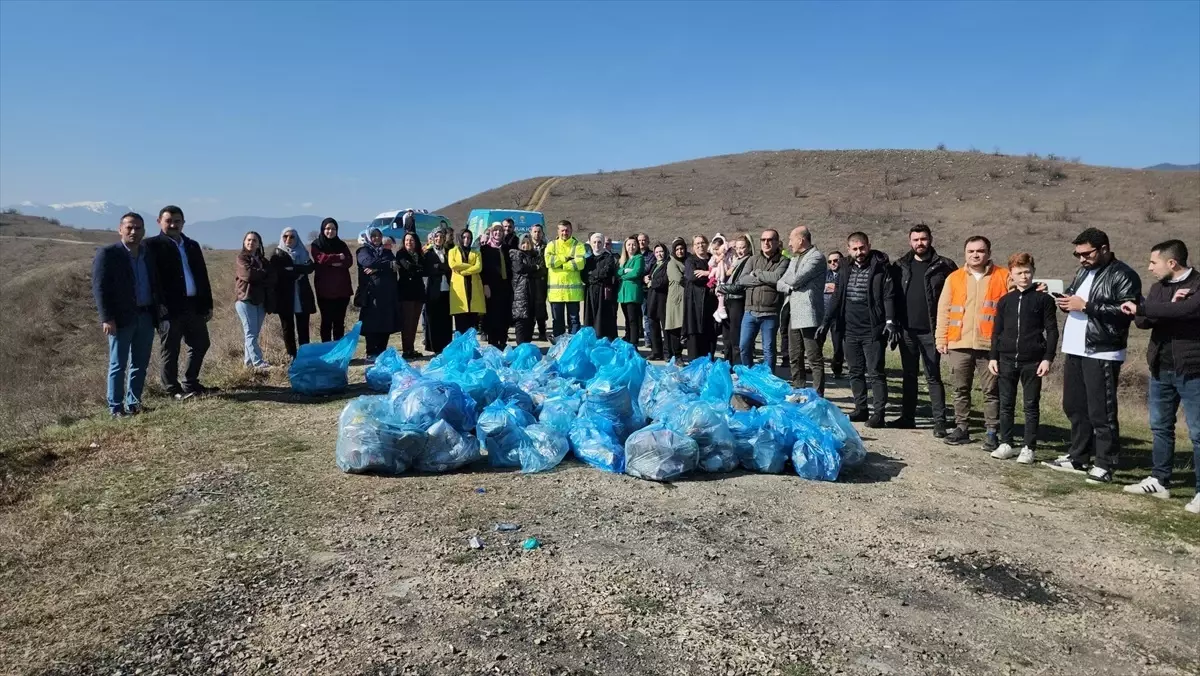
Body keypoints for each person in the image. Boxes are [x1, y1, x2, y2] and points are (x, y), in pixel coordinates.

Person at [1043, 228, 1141, 484]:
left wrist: (1086, 306)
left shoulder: (1124, 274)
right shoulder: (1084, 271)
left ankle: (1105, 463)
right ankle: (1078, 457)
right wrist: (1064, 300)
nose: (1081, 259)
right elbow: (1076, 296)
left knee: (1102, 410)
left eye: (1086, 253)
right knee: (1074, 406)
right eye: (1077, 254)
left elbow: (1127, 310)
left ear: (1104, 248)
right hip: (1075, 346)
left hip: (1103, 348)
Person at [1122, 240, 1200, 512]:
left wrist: (1151, 308)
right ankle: (1160, 480)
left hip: (1192, 370)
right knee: (1160, 427)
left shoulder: (1198, 286)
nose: (1150, 267)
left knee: (1198, 432)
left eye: (1154, 262)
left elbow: (1187, 311)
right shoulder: (1158, 288)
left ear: (1172, 263)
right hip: (1160, 368)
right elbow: (1143, 322)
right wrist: (1164, 306)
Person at [819, 232, 898, 427]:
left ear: (869, 246)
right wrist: (826, 321)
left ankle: (879, 413)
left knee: (876, 372)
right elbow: (837, 296)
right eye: (854, 249)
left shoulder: (880, 267)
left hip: (873, 329)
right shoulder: (845, 267)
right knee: (855, 371)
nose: (859, 252)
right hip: (850, 328)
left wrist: (889, 321)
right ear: (848, 250)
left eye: (862, 248)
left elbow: (888, 295)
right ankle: (861, 408)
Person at [935, 236, 1007, 449]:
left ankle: (992, 431)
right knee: (960, 389)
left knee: (991, 390)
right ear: (965, 253)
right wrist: (941, 338)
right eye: (971, 251)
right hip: (959, 342)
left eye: (980, 251)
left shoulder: (1003, 276)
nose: (975, 255)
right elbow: (944, 310)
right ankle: (962, 427)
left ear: (989, 253)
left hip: (990, 345)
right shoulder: (954, 278)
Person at [986, 253, 1058, 464]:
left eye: (1027, 271)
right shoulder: (1005, 301)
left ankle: (1029, 447)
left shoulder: (1043, 300)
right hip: (1006, 359)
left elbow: (1052, 331)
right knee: (1006, 403)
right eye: (1019, 272)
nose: (1024, 276)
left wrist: (1048, 358)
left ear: (1033, 272)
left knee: (1030, 404)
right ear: (1011, 274)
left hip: (1033, 361)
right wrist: (993, 357)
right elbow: (996, 332)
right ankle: (1006, 443)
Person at [891, 224, 957, 436]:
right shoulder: (901, 265)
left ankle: (940, 422)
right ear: (910, 241)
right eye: (916, 239)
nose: (920, 243)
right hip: (907, 330)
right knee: (909, 375)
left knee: (933, 376)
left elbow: (959, 291)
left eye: (923, 239)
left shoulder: (945, 266)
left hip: (932, 330)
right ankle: (907, 417)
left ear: (930, 240)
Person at [145, 205, 215, 399]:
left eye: (177, 221)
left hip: (194, 305)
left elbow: (202, 275)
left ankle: (190, 382)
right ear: (159, 222)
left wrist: (208, 304)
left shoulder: (192, 245)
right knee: (170, 349)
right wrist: (158, 306)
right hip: (169, 307)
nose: (173, 224)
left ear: (183, 223)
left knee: (201, 343)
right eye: (169, 221)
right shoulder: (151, 246)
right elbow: (151, 280)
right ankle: (171, 389)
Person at [92, 212, 159, 417]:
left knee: (140, 363)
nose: (133, 231)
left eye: (138, 228)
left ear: (144, 231)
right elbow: (99, 288)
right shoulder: (108, 253)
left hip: (146, 316)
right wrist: (106, 317)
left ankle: (134, 403)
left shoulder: (147, 254)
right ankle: (115, 407)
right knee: (118, 364)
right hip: (120, 319)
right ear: (120, 229)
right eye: (129, 227)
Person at [776, 225, 826, 394]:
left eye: (791, 239)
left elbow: (796, 279)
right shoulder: (795, 259)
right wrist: (788, 286)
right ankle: (798, 390)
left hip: (808, 314)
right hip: (792, 312)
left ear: (801, 239)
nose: (789, 244)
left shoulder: (816, 257)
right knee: (794, 355)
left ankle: (817, 395)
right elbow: (780, 282)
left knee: (813, 357)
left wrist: (789, 284)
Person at [733, 230, 788, 369]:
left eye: (770, 240)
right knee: (744, 346)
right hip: (750, 311)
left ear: (777, 242)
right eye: (763, 240)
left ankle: (768, 379)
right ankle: (749, 375)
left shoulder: (784, 261)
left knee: (768, 350)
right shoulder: (753, 259)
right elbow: (742, 280)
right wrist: (765, 279)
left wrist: (757, 273)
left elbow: (776, 278)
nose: (766, 243)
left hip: (770, 313)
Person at [269, 227, 316, 359]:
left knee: (303, 327)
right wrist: (298, 272)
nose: (288, 239)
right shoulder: (277, 253)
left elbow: (310, 268)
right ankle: (291, 356)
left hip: (302, 294)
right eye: (285, 236)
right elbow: (278, 273)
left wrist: (293, 269)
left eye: (292, 237)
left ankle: (304, 355)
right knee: (287, 328)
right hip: (284, 296)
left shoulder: (303, 251)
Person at [356, 227, 399, 359]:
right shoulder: (363, 251)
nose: (376, 238)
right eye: (373, 236)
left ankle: (382, 352)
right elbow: (367, 262)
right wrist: (386, 265)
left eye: (379, 236)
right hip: (371, 295)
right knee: (371, 324)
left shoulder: (386, 251)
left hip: (387, 294)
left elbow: (394, 265)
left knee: (385, 323)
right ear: (369, 237)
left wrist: (376, 269)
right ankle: (371, 351)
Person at [233, 231, 273, 369]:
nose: (251, 242)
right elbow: (248, 275)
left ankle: (248, 364)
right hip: (245, 299)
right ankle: (258, 362)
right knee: (250, 332)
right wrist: (263, 274)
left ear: (259, 243)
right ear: (244, 242)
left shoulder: (263, 261)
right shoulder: (241, 258)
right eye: (248, 240)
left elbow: (272, 278)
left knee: (253, 334)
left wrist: (260, 274)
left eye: (254, 240)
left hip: (260, 300)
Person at [310, 218, 353, 342]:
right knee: (326, 322)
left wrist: (332, 261)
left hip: (342, 290)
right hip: (325, 292)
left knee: (339, 322)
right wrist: (338, 257)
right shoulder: (317, 245)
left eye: (333, 229)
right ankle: (327, 350)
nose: (330, 231)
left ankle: (338, 351)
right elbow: (321, 259)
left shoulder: (341, 244)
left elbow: (349, 261)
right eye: (327, 228)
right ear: (323, 229)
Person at [545, 220, 587, 337]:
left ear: (571, 230)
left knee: (574, 321)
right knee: (557, 321)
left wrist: (562, 265)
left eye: (567, 230)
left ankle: (573, 346)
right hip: (556, 293)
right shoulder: (551, 245)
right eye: (562, 230)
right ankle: (558, 345)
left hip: (573, 293)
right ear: (558, 231)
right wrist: (566, 258)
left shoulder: (578, 245)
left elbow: (580, 263)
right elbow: (549, 262)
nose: (565, 232)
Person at [716, 234, 752, 365]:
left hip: (737, 300)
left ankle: (737, 364)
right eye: (737, 247)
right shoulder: (735, 261)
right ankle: (727, 362)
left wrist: (722, 288)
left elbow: (740, 285)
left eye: (742, 247)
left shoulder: (748, 261)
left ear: (748, 247)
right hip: (728, 300)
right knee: (726, 335)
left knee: (735, 335)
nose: (739, 250)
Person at [683, 235, 718, 359]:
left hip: (711, 302)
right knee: (695, 335)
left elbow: (722, 274)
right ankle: (694, 365)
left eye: (702, 242)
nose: (700, 245)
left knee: (710, 334)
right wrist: (712, 275)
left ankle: (709, 362)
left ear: (707, 244)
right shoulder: (690, 261)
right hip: (695, 304)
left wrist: (707, 273)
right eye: (697, 243)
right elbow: (692, 277)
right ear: (693, 247)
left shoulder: (713, 259)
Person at [481, 226, 514, 349]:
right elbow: (482, 269)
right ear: (491, 233)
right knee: (492, 315)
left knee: (504, 314)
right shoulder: (485, 249)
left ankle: (503, 341)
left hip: (505, 286)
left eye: (500, 230)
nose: (497, 233)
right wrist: (485, 285)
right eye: (495, 230)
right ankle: (493, 343)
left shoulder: (507, 249)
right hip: (491, 286)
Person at [395, 231, 426, 358]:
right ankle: (406, 350)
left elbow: (424, 269)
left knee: (414, 322)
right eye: (407, 240)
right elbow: (408, 267)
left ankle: (411, 348)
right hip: (405, 292)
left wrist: (418, 269)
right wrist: (418, 269)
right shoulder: (401, 253)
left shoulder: (420, 254)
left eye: (411, 240)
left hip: (418, 292)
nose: (409, 242)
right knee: (406, 323)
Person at [583, 231, 619, 340]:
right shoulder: (588, 260)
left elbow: (606, 272)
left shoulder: (608, 258)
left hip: (603, 292)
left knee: (603, 318)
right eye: (594, 242)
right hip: (590, 291)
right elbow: (584, 275)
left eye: (599, 242)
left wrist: (593, 276)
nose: (597, 245)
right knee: (590, 317)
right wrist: (593, 277)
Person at [449, 228, 486, 333]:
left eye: (469, 238)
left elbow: (478, 267)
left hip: (473, 291)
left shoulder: (476, 252)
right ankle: (461, 348)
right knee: (460, 325)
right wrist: (471, 266)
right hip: (459, 292)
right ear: (460, 238)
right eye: (464, 237)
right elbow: (453, 265)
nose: (466, 240)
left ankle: (470, 348)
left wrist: (464, 272)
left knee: (471, 327)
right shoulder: (453, 251)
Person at [423, 229, 454, 354]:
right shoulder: (428, 253)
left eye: (441, 237)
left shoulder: (448, 252)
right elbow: (427, 269)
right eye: (436, 237)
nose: (439, 239)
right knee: (433, 319)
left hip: (447, 289)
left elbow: (449, 267)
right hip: (433, 289)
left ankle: (446, 345)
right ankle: (434, 346)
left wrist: (438, 267)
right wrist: (440, 268)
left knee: (446, 319)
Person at [510, 234, 543, 344]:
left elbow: (541, 270)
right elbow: (520, 268)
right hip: (520, 292)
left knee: (531, 320)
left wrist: (532, 270)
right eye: (523, 243)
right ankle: (520, 348)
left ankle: (527, 347)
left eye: (528, 243)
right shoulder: (516, 254)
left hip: (534, 291)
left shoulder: (535, 255)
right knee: (521, 321)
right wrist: (534, 268)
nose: (525, 245)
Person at [617, 235, 645, 346]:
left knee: (633, 320)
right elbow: (617, 272)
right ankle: (628, 339)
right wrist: (624, 271)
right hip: (623, 294)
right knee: (627, 319)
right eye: (629, 244)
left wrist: (623, 275)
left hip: (633, 293)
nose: (631, 247)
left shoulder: (639, 258)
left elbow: (636, 273)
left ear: (637, 246)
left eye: (633, 244)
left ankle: (634, 343)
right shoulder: (624, 259)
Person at [645, 242, 670, 360]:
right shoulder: (655, 264)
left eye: (661, 251)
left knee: (665, 327)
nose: (659, 254)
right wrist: (646, 278)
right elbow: (650, 277)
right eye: (656, 252)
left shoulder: (668, 264)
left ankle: (667, 352)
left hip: (663, 299)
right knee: (653, 325)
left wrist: (651, 283)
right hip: (652, 298)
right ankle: (656, 351)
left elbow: (664, 281)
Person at [665, 238, 688, 360]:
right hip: (676, 300)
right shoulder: (671, 263)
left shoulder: (688, 261)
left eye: (682, 248)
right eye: (677, 249)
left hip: (687, 299)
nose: (680, 251)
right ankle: (677, 355)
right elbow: (680, 279)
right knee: (675, 328)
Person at [824, 251, 845, 377]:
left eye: (836, 260)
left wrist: (833, 288)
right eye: (830, 261)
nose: (833, 263)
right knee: (817, 341)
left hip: (838, 314)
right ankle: (814, 366)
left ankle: (837, 369)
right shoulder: (825, 275)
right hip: (824, 313)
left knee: (837, 344)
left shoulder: (846, 274)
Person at [529, 224, 550, 341]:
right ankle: (530, 331)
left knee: (541, 306)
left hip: (542, 281)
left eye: (539, 232)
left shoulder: (546, 247)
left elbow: (544, 265)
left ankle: (542, 331)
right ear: (531, 232)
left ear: (542, 233)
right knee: (530, 307)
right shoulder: (526, 246)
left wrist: (537, 269)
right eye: (535, 232)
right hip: (529, 281)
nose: (537, 234)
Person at [637, 232, 653, 348]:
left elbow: (650, 269)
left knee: (646, 315)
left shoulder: (652, 255)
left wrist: (637, 274)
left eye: (644, 240)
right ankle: (637, 336)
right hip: (634, 289)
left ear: (648, 242)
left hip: (645, 291)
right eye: (639, 240)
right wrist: (641, 276)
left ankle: (648, 339)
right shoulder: (634, 254)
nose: (641, 242)